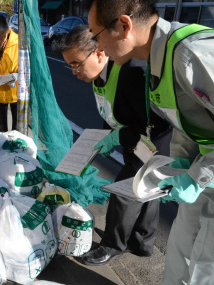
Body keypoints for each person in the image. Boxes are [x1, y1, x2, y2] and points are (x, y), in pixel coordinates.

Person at [88, 0, 214, 283]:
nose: (97, 48)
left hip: (208, 174)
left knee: (204, 270)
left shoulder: (192, 54)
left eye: (96, 36)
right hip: (202, 173)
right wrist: (183, 163)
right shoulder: (159, 59)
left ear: (123, 26)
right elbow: (185, 120)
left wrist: (200, 176)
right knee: (179, 258)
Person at [54, 25, 171, 265]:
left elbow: (152, 122)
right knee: (147, 190)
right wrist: (99, 141)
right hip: (133, 140)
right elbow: (109, 111)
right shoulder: (99, 76)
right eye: (70, 65)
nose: (74, 71)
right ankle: (142, 243)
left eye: (77, 63)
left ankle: (112, 245)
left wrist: (116, 138)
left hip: (152, 141)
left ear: (98, 53)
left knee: (124, 192)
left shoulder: (130, 71)